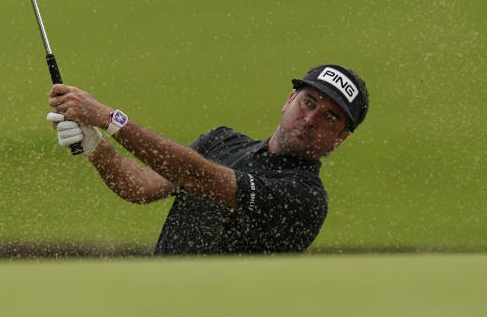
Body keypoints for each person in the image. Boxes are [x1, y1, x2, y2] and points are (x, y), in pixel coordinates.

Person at [46, 64, 369, 255]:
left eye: (329, 118)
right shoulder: (222, 141)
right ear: (289, 100)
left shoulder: (306, 196)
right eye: (308, 102)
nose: (310, 119)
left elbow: (199, 177)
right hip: (154, 309)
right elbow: (141, 186)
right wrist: (94, 145)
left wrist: (110, 119)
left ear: (340, 139)